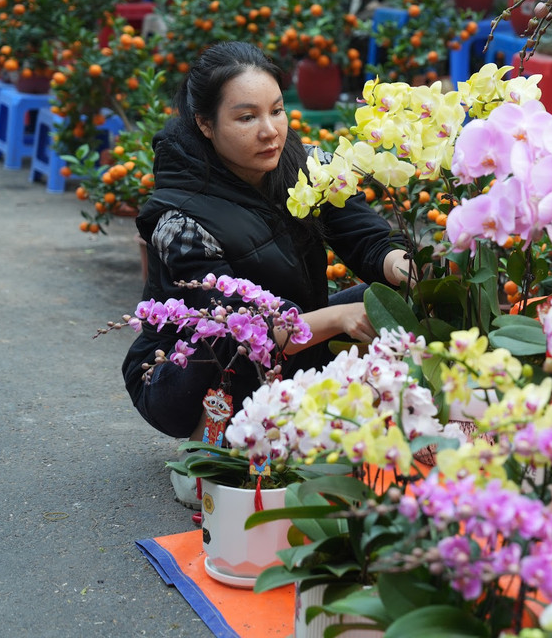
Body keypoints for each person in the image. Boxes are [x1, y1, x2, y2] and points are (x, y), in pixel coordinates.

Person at [122, 42, 410, 503]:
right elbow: (240, 327)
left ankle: (309, 424)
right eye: (246, 117)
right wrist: (337, 319)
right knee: (220, 334)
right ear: (205, 124)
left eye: (277, 111)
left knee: (395, 299)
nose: (270, 131)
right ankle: (208, 449)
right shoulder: (178, 218)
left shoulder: (305, 166)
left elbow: (366, 238)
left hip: (293, 337)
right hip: (185, 372)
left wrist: (406, 270)